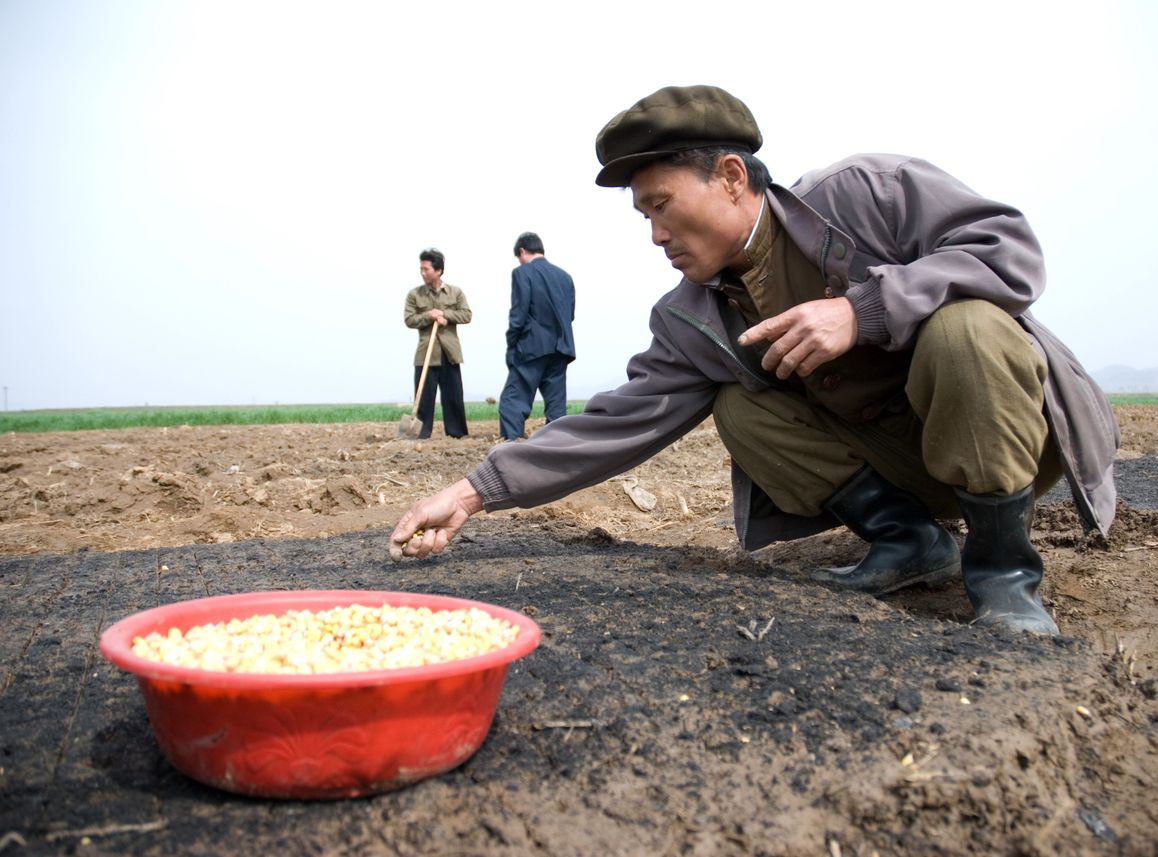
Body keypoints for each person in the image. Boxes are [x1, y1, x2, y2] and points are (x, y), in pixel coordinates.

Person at [390, 85, 1119, 637]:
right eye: (644, 215)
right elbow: (616, 422)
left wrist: (861, 310)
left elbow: (1009, 249)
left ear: (732, 177)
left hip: (1002, 437)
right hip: (903, 465)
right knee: (738, 407)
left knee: (965, 329)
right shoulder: (692, 315)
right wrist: (473, 489)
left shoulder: (862, 195)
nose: (654, 234)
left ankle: (1002, 574)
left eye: (662, 205)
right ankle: (911, 541)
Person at [497, 232, 577, 440]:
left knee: (513, 400)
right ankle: (558, 443)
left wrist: (512, 345)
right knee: (556, 404)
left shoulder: (522, 273)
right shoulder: (564, 276)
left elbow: (519, 314)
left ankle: (511, 444)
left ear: (522, 251)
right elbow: (570, 314)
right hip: (562, 347)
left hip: (532, 346)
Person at [403, 247, 472, 439]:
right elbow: (409, 319)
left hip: (450, 352)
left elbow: (466, 315)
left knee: (453, 396)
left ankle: (457, 433)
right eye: (421, 269)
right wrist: (428, 315)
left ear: (438, 270)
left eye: (426, 269)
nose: (423, 273)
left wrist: (445, 315)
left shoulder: (455, 293)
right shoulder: (415, 295)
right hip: (426, 353)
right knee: (424, 396)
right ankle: (422, 433)